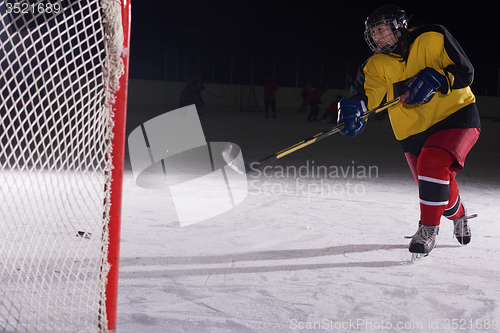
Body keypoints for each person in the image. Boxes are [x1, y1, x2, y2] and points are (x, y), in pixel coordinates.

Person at [337, 4, 480, 257]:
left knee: (433, 163)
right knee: (438, 192)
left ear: (399, 26)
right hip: (412, 134)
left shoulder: (433, 36)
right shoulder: (376, 65)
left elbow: (465, 71)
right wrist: (353, 111)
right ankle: (458, 215)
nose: (378, 37)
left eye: (382, 30)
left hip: (455, 117)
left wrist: (438, 78)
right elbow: (365, 96)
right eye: (374, 34)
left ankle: (427, 231)